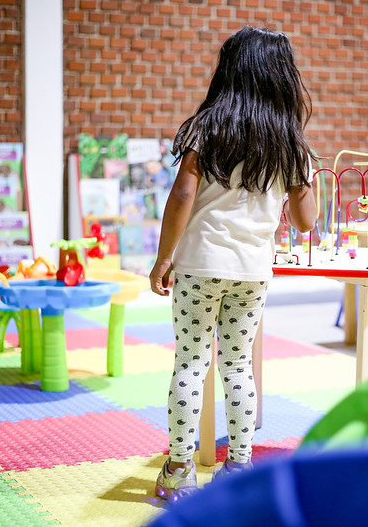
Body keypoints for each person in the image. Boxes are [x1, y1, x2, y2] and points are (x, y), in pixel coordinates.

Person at [149, 26, 318, 502]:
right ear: (281, 78)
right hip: (251, 271)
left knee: (190, 363)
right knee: (238, 366)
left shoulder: (208, 126)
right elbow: (307, 221)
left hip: (200, 266)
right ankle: (239, 466)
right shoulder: (291, 142)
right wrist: (304, 172)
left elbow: (182, 194)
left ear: (230, 72)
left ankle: (179, 471)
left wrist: (164, 258)